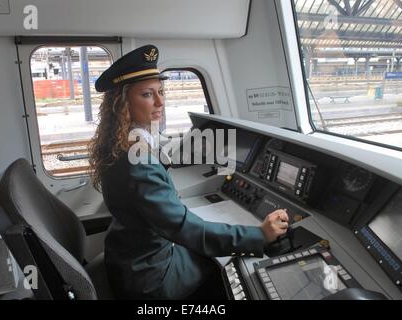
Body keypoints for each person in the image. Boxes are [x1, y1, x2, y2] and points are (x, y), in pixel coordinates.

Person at [89, 44, 289, 299]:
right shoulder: (137, 163)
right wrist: (259, 236)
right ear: (123, 102)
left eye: (161, 92)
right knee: (230, 266)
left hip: (129, 256)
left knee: (211, 248)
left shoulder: (118, 145)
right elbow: (183, 228)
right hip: (152, 279)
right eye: (148, 94)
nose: (160, 102)